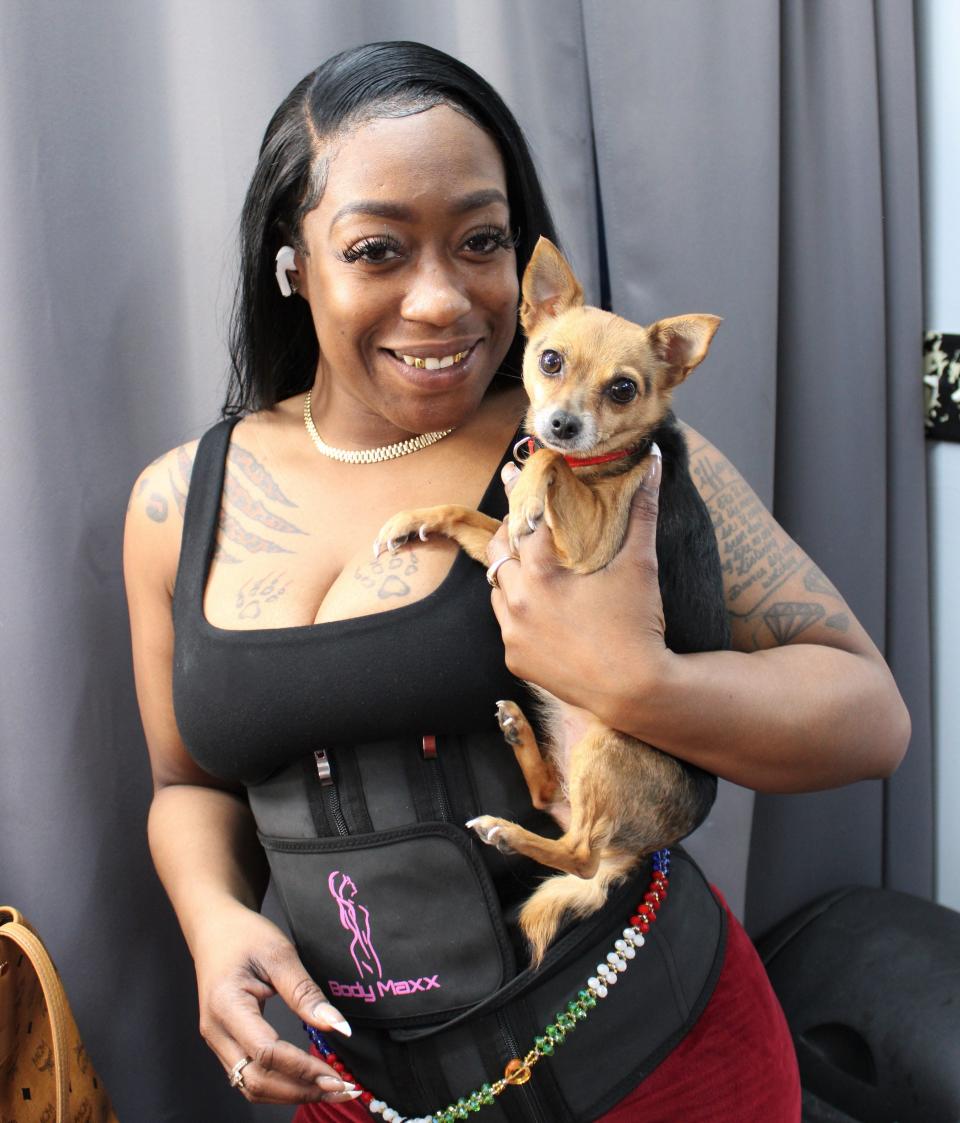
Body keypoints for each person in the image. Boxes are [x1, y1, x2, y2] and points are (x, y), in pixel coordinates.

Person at [123, 41, 910, 1122]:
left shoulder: (612, 456)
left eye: (481, 241)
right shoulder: (177, 503)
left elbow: (870, 720)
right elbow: (187, 786)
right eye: (378, 249)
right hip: (363, 1095)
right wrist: (213, 921)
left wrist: (634, 681)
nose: (443, 299)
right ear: (292, 258)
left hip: (659, 1067)